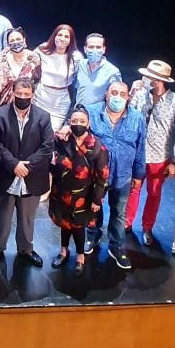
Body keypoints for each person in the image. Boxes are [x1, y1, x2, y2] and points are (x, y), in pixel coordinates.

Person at [0, 78, 53, 267]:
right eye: (19, 94)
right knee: (1, 217)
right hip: (5, 175)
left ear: (33, 95)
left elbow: (47, 147)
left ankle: (26, 249)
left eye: (26, 95)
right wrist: (13, 164)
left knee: (27, 218)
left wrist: (27, 166)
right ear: (13, 93)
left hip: (31, 176)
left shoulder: (43, 116)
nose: (22, 98)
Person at [127, 60, 175, 246]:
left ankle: (147, 227)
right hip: (137, 152)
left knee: (154, 193)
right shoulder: (140, 96)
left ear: (158, 80)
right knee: (133, 189)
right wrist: (132, 93)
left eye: (149, 77)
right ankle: (127, 223)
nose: (145, 79)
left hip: (159, 156)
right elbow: (128, 115)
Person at [84, 81, 146, 270]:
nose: (117, 97)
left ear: (128, 97)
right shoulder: (91, 113)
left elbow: (140, 147)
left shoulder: (137, 118)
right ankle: (92, 238)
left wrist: (138, 174)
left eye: (122, 94)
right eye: (114, 93)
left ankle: (116, 247)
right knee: (94, 210)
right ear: (106, 95)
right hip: (96, 176)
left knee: (119, 213)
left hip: (123, 176)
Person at [49, 104, 109, 276]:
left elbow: (102, 176)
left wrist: (98, 199)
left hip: (85, 196)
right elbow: (50, 157)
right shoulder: (61, 141)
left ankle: (80, 257)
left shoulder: (98, 146)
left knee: (78, 227)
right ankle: (63, 251)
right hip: (62, 192)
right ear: (69, 122)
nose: (78, 124)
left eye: (82, 121)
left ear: (88, 124)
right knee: (64, 223)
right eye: (74, 120)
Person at [33, 24, 82, 132]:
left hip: (60, 101)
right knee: (35, 130)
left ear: (70, 40)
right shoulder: (42, 49)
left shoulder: (76, 56)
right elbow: (29, 66)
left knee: (52, 133)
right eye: (60, 35)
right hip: (41, 96)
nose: (62, 39)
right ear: (54, 36)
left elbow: (81, 78)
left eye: (66, 36)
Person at [0, 27, 41, 108]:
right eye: (12, 41)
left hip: (25, 104)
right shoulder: (2, 59)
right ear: (8, 44)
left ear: (24, 40)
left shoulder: (34, 58)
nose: (15, 42)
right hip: (3, 106)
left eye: (18, 39)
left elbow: (36, 81)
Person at [74, 33, 122, 107]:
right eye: (91, 47)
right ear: (85, 49)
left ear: (104, 49)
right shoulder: (80, 65)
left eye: (98, 47)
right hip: (78, 113)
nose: (94, 50)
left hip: (97, 116)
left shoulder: (113, 71)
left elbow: (116, 97)